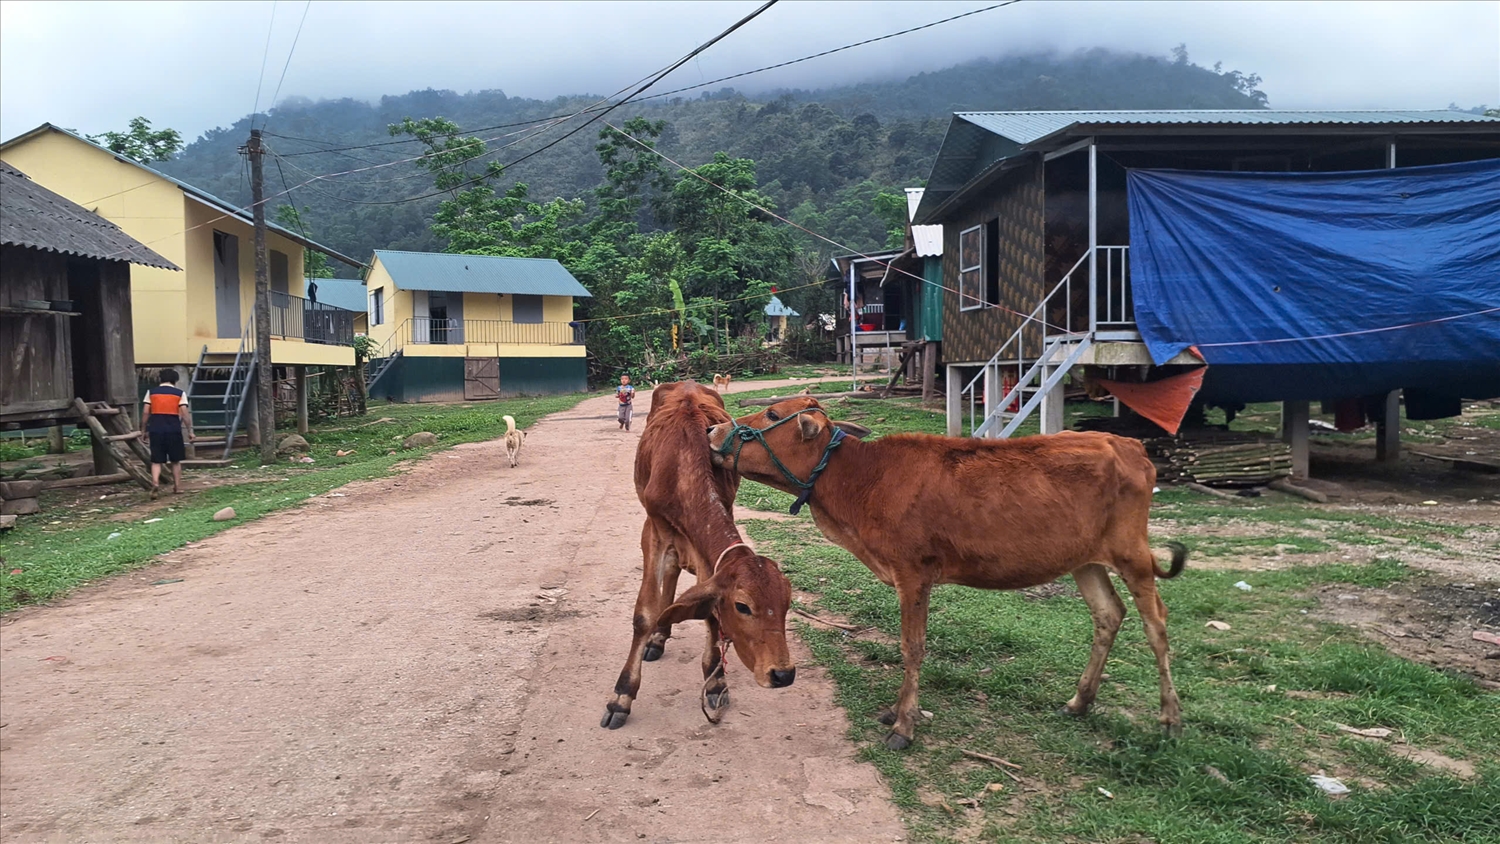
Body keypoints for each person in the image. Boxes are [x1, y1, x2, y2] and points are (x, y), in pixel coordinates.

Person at [140, 368, 194, 498]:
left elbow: (146, 412)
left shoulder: (151, 393)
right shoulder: (179, 394)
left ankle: (155, 483)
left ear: (160, 379)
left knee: (156, 460)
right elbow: (185, 414)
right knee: (175, 461)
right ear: (175, 380)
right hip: (173, 429)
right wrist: (190, 431)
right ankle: (177, 486)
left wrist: (143, 430)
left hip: (156, 429)